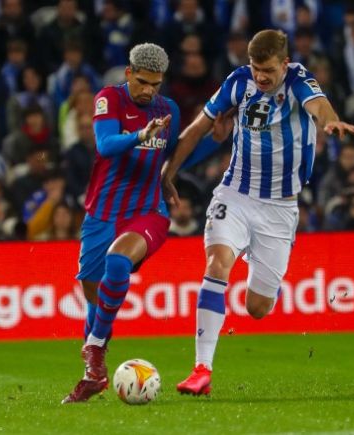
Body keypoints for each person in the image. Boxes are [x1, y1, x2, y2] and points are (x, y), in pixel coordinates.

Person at [161, 29, 354, 396]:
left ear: (285, 64)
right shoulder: (239, 82)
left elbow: (319, 105)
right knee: (216, 263)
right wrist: (168, 171)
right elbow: (198, 128)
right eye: (256, 68)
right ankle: (201, 369)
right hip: (235, 194)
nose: (261, 76)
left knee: (257, 308)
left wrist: (329, 121)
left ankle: (263, 271)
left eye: (268, 70)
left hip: (279, 209)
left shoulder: (299, 80)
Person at [62, 42, 230, 404]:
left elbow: (175, 155)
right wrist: (141, 135)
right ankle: (94, 375)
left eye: (156, 84)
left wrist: (214, 141)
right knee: (94, 296)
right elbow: (105, 145)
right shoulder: (109, 99)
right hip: (102, 213)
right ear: (128, 73)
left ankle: (94, 348)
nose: (148, 91)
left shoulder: (167, 109)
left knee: (118, 261)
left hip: (148, 210)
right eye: (142, 82)